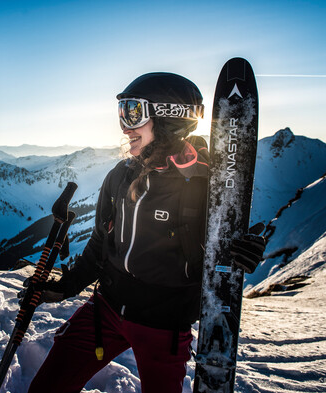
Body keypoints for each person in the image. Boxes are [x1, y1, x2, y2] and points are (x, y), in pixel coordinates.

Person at [27, 73, 266, 393]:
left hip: (163, 326)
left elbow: (221, 250)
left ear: (170, 117)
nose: (125, 125)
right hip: (105, 309)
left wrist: (241, 251)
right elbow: (101, 240)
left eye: (134, 112)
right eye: (122, 111)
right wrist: (67, 286)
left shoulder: (205, 186)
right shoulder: (119, 175)